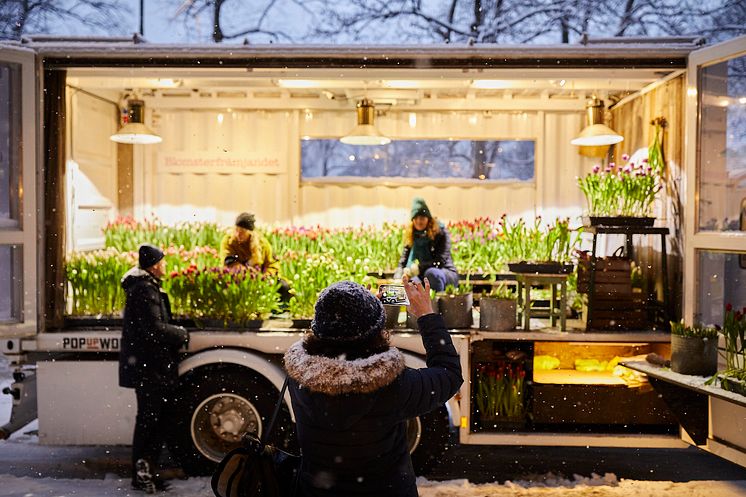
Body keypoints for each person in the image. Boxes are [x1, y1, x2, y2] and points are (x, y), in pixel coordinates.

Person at [283, 276, 463, 497]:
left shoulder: (299, 377)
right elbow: (449, 374)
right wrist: (426, 316)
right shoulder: (392, 386)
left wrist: (362, 317)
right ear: (375, 332)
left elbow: (334, 346)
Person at [119, 243, 189, 494]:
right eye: (163, 261)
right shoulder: (144, 289)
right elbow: (154, 329)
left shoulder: (144, 287)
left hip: (150, 368)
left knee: (154, 420)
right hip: (150, 370)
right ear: (155, 264)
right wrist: (180, 333)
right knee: (150, 421)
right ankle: (142, 473)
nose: (166, 265)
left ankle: (146, 470)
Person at [219, 212, 290, 303]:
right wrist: (247, 274)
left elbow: (272, 263)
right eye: (236, 230)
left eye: (242, 232)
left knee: (284, 286)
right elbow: (229, 261)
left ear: (250, 233)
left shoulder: (263, 243)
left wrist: (266, 276)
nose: (238, 234)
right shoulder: (228, 241)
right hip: (237, 277)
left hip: (262, 278)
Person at [394, 197, 459, 292]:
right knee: (412, 283)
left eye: (422, 218)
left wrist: (418, 268)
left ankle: (434, 304)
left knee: (431, 274)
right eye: (415, 218)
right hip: (423, 273)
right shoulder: (412, 235)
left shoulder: (440, 233)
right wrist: (398, 276)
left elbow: (440, 261)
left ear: (428, 219)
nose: (418, 221)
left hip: (444, 272)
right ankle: (414, 307)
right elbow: (403, 261)